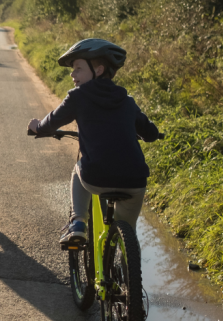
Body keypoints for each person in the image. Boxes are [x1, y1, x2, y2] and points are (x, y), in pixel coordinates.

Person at [27, 38, 163, 244]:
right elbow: (151, 134)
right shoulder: (127, 101)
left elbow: (52, 121)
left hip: (96, 178)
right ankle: (125, 262)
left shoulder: (78, 97)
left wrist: (37, 126)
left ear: (98, 70)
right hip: (135, 181)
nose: (73, 74)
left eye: (78, 68)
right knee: (126, 234)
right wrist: (150, 133)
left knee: (79, 168)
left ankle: (78, 222)